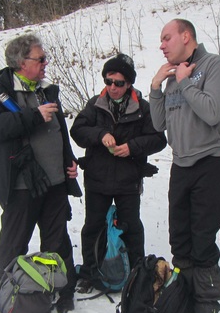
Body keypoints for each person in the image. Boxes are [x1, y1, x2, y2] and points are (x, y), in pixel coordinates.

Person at [0, 34, 82, 313]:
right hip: (21, 187)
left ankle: (61, 290)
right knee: (13, 246)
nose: (46, 63)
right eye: (41, 58)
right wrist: (33, 116)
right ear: (22, 62)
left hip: (55, 183)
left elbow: (58, 133)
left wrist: (69, 163)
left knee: (57, 242)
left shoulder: (45, 90)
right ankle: (7, 298)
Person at [149, 19, 220, 313]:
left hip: (211, 163)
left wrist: (185, 82)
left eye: (166, 37)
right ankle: (185, 296)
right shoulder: (173, 77)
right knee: (180, 237)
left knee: (202, 238)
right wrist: (156, 87)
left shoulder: (214, 66)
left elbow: (212, 112)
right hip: (181, 165)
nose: (162, 45)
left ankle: (207, 305)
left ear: (186, 36)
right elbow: (159, 125)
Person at [70, 53, 167, 293]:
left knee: (131, 227)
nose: (112, 87)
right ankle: (91, 273)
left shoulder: (142, 108)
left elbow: (159, 139)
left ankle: (136, 274)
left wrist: (132, 148)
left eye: (119, 83)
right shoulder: (95, 104)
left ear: (129, 83)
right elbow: (78, 130)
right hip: (96, 179)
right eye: (108, 81)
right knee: (93, 227)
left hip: (128, 180)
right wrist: (100, 135)